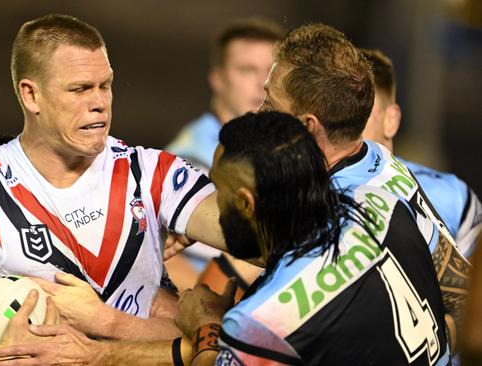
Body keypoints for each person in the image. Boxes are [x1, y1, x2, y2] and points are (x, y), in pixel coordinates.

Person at [0, 14, 226, 365]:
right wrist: (2, 360)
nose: (100, 102)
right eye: (80, 89)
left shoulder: (153, 173)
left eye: (105, 86)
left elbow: (255, 235)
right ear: (31, 95)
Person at [175, 111, 452, 365]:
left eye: (220, 191)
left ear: (247, 204)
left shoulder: (259, 322)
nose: (215, 204)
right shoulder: (380, 200)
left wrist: (206, 327)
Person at [259, 23, 470, 346]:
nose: (259, 114)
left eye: (271, 105)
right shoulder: (377, 159)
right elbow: (460, 289)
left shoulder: (342, 216)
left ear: (308, 126)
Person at [165, 17, 283, 297]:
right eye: (247, 70)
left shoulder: (279, 146)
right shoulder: (189, 160)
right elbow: (162, 256)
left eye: (271, 71)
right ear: (217, 79)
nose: (262, 83)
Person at [360, 48, 481, 259]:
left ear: (391, 120)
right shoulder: (314, 194)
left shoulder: (453, 199)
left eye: (361, 113)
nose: (346, 124)